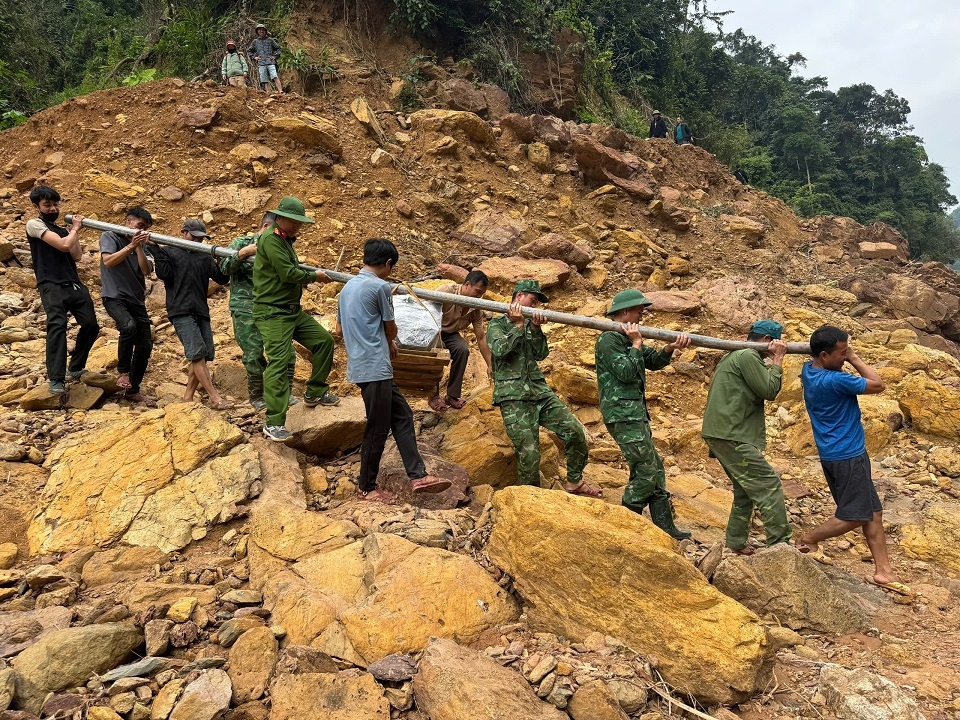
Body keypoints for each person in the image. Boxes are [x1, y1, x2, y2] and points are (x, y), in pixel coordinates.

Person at [796, 325, 912, 599]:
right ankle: (807, 540)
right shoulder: (835, 381)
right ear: (824, 355)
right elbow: (878, 384)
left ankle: (883, 570)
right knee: (855, 515)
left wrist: (843, 353)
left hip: (836, 454)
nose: (845, 356)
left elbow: (813, 356)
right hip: (847, 455)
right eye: (841, 352)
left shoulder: (809, 370)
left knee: (873, 512)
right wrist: (856, 358)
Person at [336, 238, 452, 503]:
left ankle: (418, 476)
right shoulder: (380, 287)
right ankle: (366, 487)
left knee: (402, 416)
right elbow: (391, 328)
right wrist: (388, 341)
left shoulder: (347, 288)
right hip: (375, 367)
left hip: (362, 366)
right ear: (388, 263)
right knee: (377, 428)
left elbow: (340, 331)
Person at [487, 279, 599, 497]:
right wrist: (519, 326)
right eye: (533, 300)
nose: (535, 306)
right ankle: (531, 501)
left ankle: (574, 481)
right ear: (519, 297)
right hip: (514, 397)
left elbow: (541, 354)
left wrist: (536, 328)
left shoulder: (530, 323)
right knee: (529, 453)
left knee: (575, 433)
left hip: (540, 392)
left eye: (537, 302)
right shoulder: (497, 324)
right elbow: (500, 350)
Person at [595, 289, 691, 539]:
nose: (641, 316)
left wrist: (670, 348)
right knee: (647, 472)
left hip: (635, 414)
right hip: (622, 415)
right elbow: (626, 371)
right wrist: (636, 344)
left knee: (655, 470)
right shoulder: (610, 339)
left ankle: (664, 528)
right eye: (639, 311)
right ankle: (626, 526)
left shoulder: (627, 336)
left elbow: (654, 361)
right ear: (625, 312)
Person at [253, 196, 338, 442]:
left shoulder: (285, 239)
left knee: (323, 341)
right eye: (296, 222)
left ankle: (315, 392)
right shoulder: (271, 239)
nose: (299, 227)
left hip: (290, 310)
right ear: (282, 217)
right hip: (272, 312)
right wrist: (315, 277)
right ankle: (274, 421)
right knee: (279, 362)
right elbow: (288, 273)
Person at [702, 320, 790, 553]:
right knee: (768, 484)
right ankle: (780, 546)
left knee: (745, 489)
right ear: (767, 342)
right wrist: (778, 361)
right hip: (732, 432)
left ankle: (736, 541)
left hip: (725, 431)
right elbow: (769, 390)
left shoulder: (734, 355)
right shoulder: (748, 356)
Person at [150, 219, 232, 409]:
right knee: (196, 354)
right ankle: (215, 398)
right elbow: (164, 274)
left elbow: (221, 278)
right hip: (180, 310)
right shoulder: (170, 252)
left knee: (204, 354)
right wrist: (155, 250)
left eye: (200, 238)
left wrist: (222, 261)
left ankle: (188, 397)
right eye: (193, 237)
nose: (197, 241)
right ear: (183, 233)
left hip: (201, 310)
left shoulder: (204, 256)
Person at [25, 185, 99, 395]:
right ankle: (56, 378)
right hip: (51, 284)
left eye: (55, 204)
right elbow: (63, 246)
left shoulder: (62, 230)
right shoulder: (34, 224)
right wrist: (75, 229)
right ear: (36, 206)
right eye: (47, 205)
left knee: (91, 325)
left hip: (72, 282)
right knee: (57, 325)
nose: (52, 209)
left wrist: (73, 232)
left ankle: (75, 367)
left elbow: (76, 255)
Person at [220, 212, 297, 412]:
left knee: (285, 353)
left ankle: (285, 394)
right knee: (254, 354)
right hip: (246, 308)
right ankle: (257, 396)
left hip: (273, 309)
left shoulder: (282, 246)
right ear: (265, 227)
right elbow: (224, 269)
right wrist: (243, 253)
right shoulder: (241, 242)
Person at [99, 206, 156, 406]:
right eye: (139, 226)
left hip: (136, 299)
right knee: (128, 326)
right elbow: (108, 261)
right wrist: (130, 246)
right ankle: (123, 372)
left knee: (145, 344)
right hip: (114, 295)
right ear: (128, 222)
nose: (141, 231)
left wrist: (139, 246)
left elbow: (146, 269)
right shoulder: (110, 236)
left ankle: (133, 390)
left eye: (145, 228)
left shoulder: (144, 245)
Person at [428, 270, 494, 412]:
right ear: (467, 285)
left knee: (462, 349)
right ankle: (433, 396)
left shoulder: (476, 308)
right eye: (477, 291)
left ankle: (452, 396)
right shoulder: (447, 291)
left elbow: (481, 337)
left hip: (451, 334)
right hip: (433, 331)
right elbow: (426, 309)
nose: (479, 296)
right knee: (437, 353)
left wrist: (490, 364)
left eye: (481, 293)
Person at [247, 24, 282, 93]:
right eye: (259, 30)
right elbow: (249, 51)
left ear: (265, 31)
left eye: (263, 30)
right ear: (257, 32)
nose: (261, 31)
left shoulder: (270, 40)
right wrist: (254, 57)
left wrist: (274, 56)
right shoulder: (255, 42)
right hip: (261, 63)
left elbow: (279, 48)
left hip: (270, 61)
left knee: (274, 76)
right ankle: (269, 93)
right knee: (264, 79)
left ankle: (280, 91)